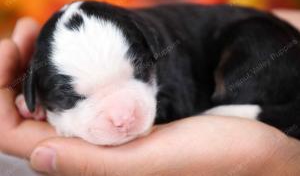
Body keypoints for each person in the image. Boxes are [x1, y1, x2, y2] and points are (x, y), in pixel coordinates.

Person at [0, 12, 300, 176]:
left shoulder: (163, 50)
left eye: (137, 75)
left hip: (265, 41)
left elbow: (180, 100)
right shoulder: (39, 74)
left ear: (151, 47)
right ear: (33, 90)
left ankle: (262, 109)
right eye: (77, 98)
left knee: (256, 43)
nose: (123, 117)